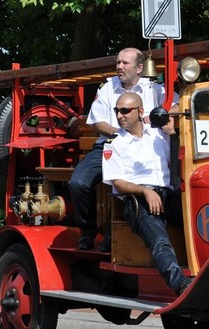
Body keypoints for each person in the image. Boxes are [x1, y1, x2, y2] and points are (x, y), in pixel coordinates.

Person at [69, 47, 175, 251]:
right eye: (118, 62)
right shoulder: (108, 88)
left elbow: (178, 105)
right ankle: (87, 232)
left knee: (141, 181)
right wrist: (120, 135)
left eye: (125, 63)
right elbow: (97, 122)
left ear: (139, 68)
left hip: (144, 146)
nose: (119, 66)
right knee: (78, 183)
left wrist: (153, 117)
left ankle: (112, 234)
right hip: (110, 144)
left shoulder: (153, 89)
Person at [102, 92, 191, 296]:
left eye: (125, 111)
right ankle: (182, 287)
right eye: (117, 111)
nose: (119, 116)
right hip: (138, 201)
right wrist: (145, 191)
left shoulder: (159, 134)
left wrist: (172, 134)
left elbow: (179, 162)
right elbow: (118, 182)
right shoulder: (114, 143)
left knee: (202, 216)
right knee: (160, 241)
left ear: (140, 111)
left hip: (169, 195)